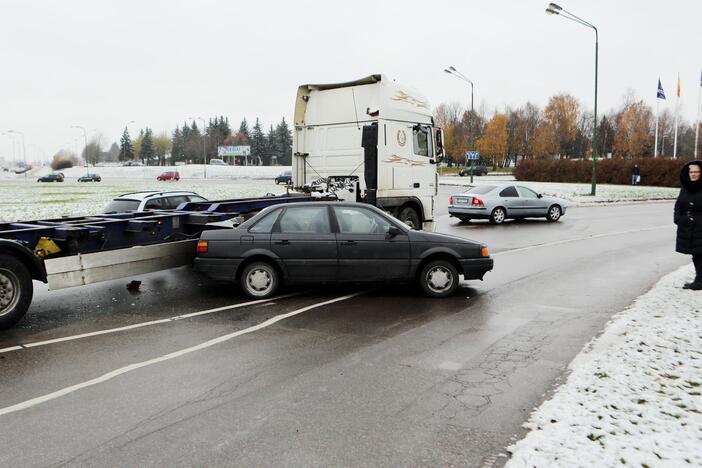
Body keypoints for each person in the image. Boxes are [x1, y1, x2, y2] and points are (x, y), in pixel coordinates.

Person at [674, 160, 702, 290]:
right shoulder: (685, 187)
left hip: (700, 226)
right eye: (692, 172)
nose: (694, 174)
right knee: (696, 254)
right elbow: (678, 205)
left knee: (699, 254)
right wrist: (678, 218)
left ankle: (699, 281)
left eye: (697, 172)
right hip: (688, 227)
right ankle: (699, 279)